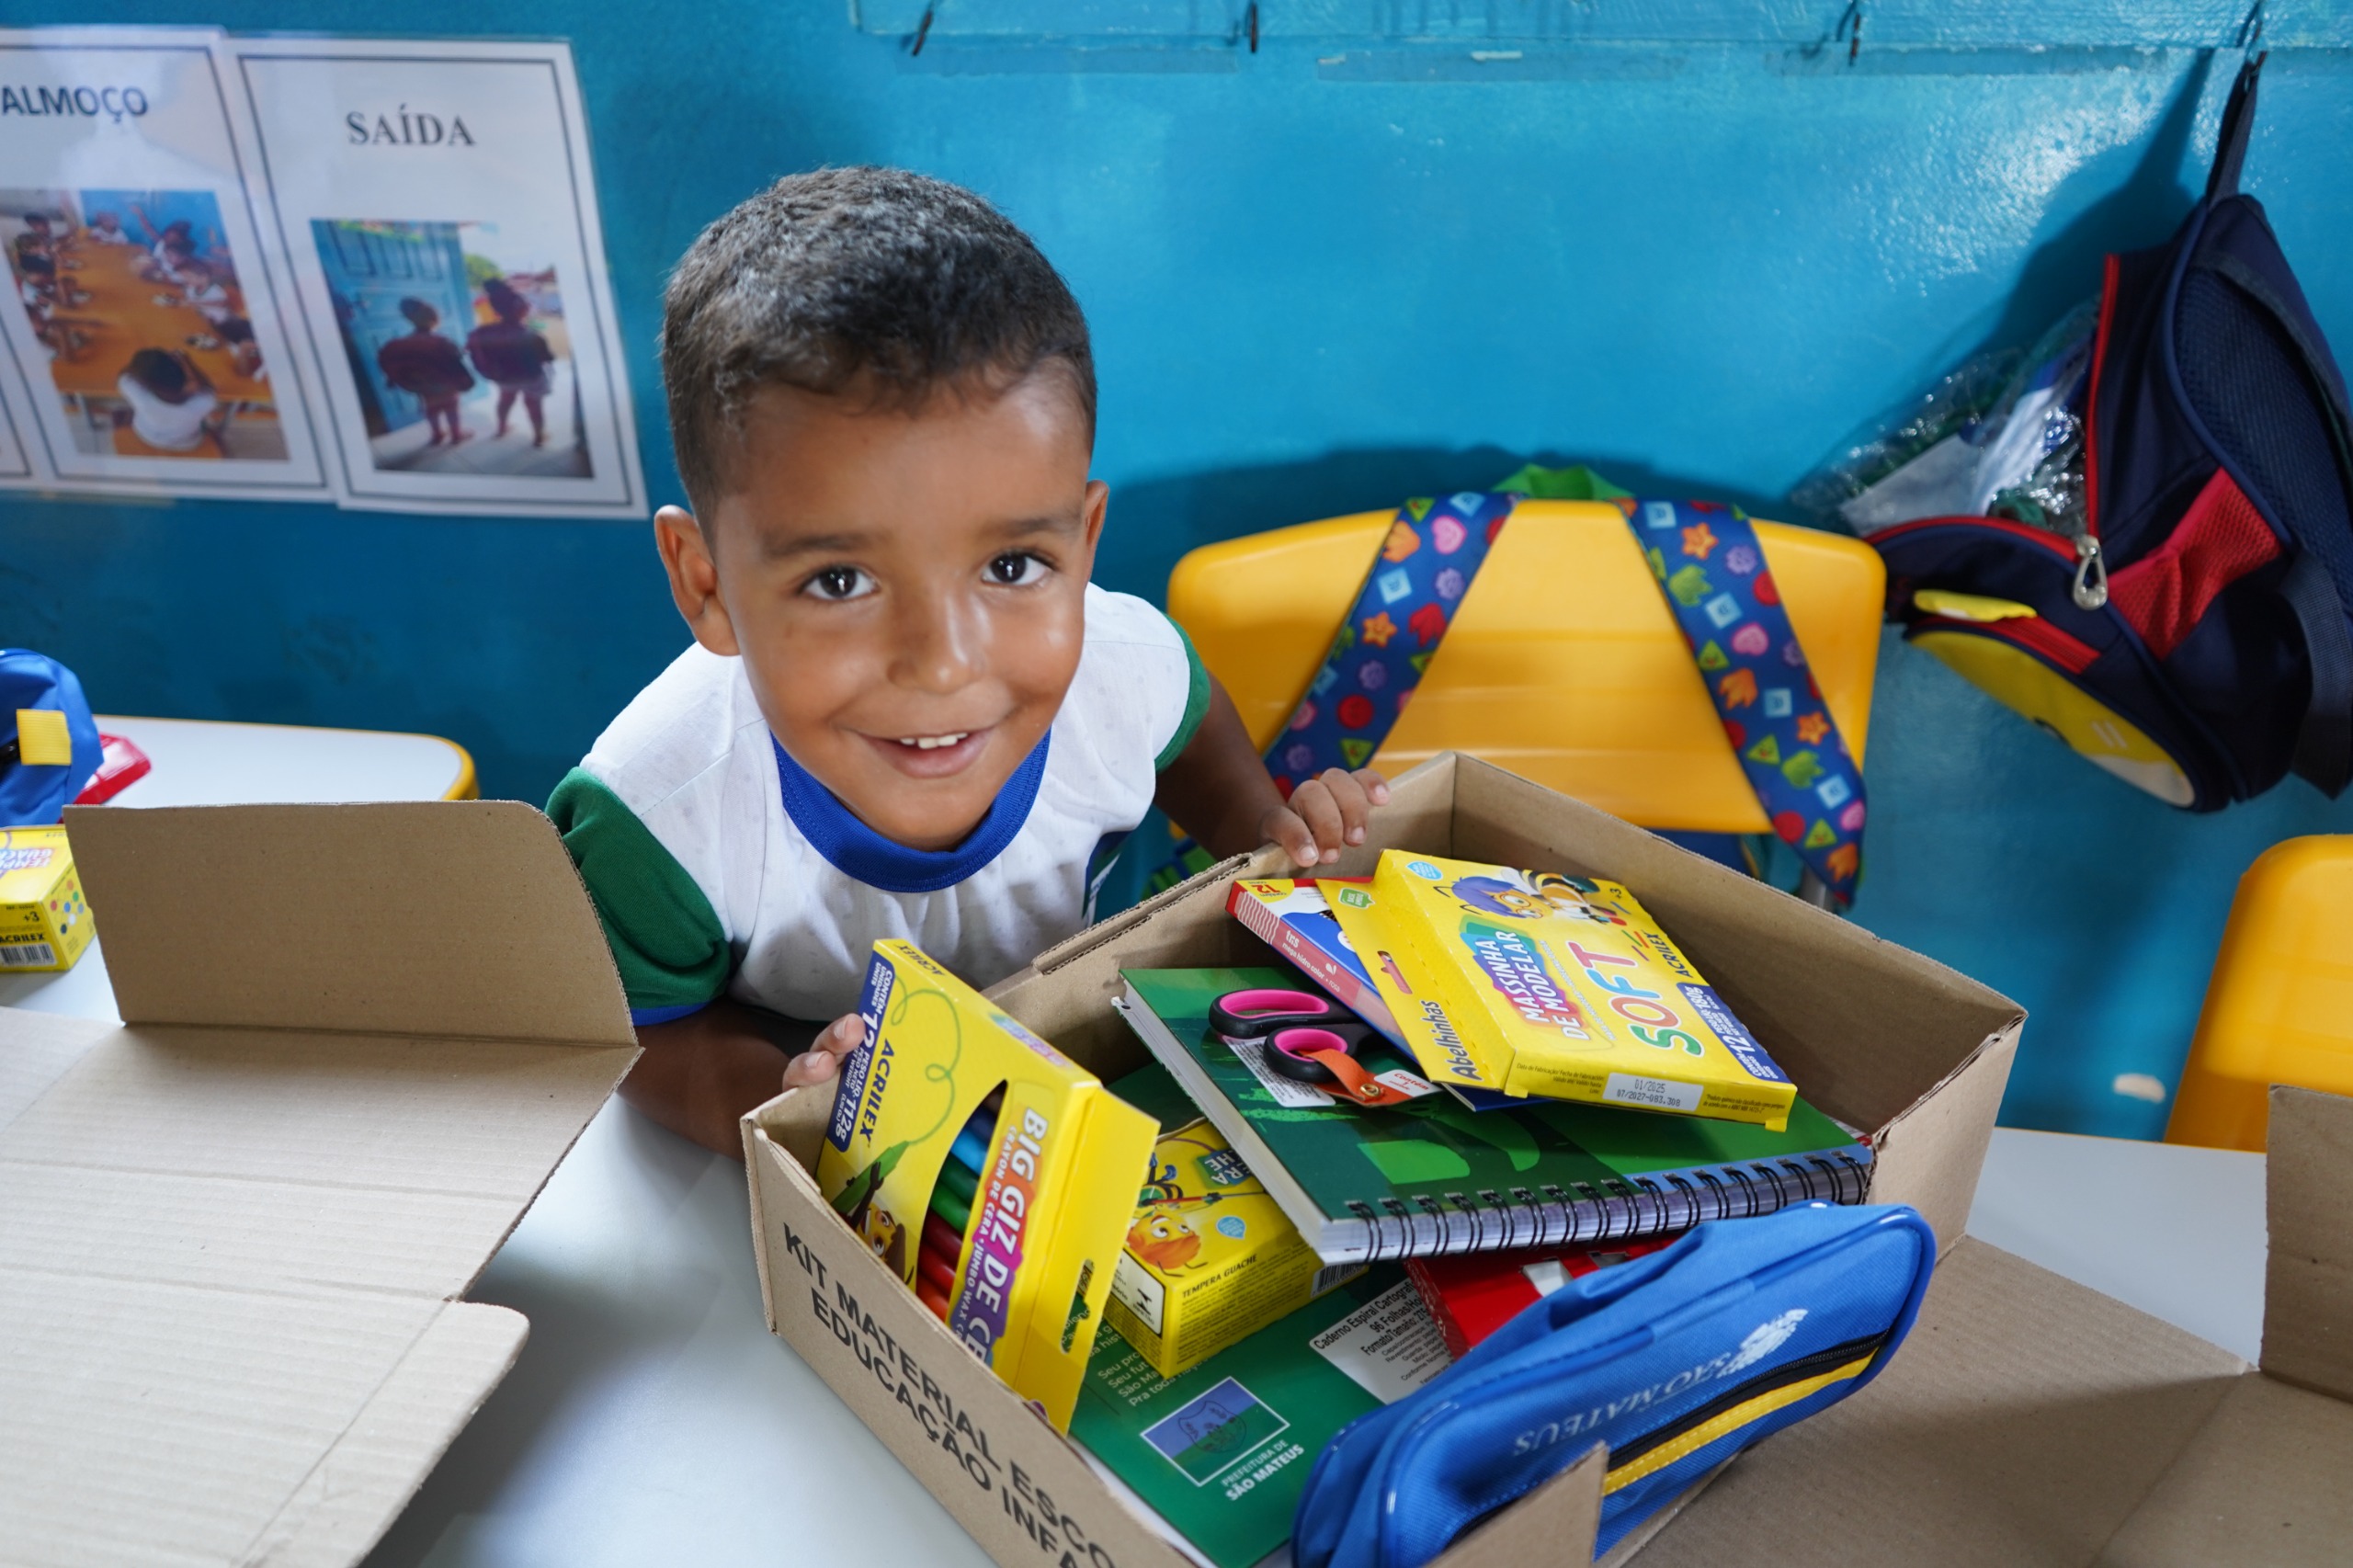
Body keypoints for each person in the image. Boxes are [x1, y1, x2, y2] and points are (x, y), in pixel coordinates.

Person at [546, 168, 1387, 1157]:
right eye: (839, 582)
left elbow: (1186, 729)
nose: (944, 665)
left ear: (1085, 543)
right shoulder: (655, 819)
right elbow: (646, 1028)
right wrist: (789, 1105)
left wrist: (1265, 832)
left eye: (1012, 566)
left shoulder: (1122, 669)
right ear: (708, 586)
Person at [465, 277, 556, 445]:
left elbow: (471, 348)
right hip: (531, 377)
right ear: (523, 310)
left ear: (495, 310)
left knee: (505, 400)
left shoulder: (484, 332)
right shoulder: (533, 336)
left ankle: (501, 428)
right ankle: (539, 436)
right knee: (534, 405)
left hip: (504, 377)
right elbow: (548, 358)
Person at [374, 297, 473, 445]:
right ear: (435, 319)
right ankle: (456, 434)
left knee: (431, 408)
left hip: (421, 385)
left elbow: (389, 361)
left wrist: (394, 379)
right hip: (446, 384)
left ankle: (437, 434)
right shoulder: (442, 342)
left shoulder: (400, 344)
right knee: (451, 407)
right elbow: (456, 363)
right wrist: (466, 380)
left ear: (409, 319)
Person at [115, 348, 220, 452]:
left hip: (146, 434)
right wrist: (187, 363)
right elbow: (208, 388)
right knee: (206, 421)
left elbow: (127, 373)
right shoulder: (204, 401)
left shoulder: (130, 386)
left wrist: (147, 367)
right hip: (185, 443)